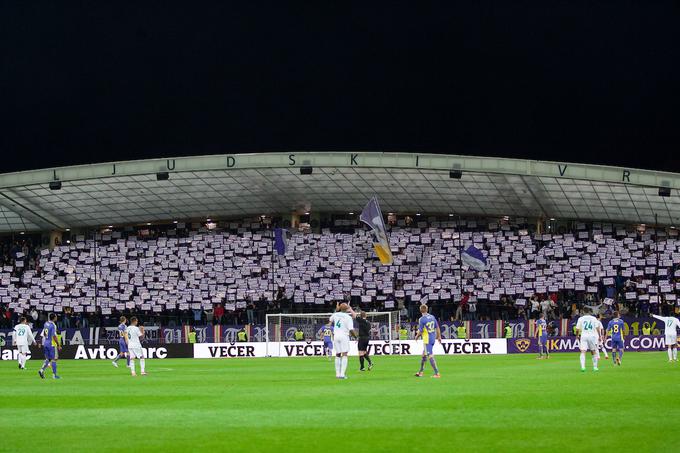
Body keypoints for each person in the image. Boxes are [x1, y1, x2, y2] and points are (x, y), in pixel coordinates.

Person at [329, 302, 356, 379]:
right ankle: (342, 374)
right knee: (344, 354)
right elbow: (351, 329)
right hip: (344, 336)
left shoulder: (335, 314)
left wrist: (336, 310)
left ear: (340, 308)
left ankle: (337, 374)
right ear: (347, 309)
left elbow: (330, 320)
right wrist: (355, 337)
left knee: (337, 354)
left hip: (336, 336)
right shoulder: (348, 317)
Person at [414, 304, 442, 378]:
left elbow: (420, 331)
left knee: (430, 355)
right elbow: (437, 327)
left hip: (427, 340)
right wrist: (439, 336)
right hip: (433, 338)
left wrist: (416, 336)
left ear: (420, 310)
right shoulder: (432, 317)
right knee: (423, 355)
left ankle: (437, 373)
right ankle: (420, 372)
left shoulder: (422, 319)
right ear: (427, 309)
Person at [38, 313, 61, 379]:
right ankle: (54, 375)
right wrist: (58, 344)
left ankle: (41, 370)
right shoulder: (53, 325)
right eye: (56, 317)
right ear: (54, 318)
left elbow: (44, 333)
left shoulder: (46, 323)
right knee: (54, 359)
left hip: (45, 343)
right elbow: (54, 336)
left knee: (48, 359)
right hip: (51, 344)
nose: (56, 318)